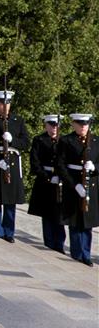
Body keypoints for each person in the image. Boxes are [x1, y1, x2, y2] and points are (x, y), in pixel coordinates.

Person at [0, 90, 30, 243]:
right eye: (2, 103)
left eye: (8, 103)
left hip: (13, 162)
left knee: (10, 199)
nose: (5, 106)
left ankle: (9, 231)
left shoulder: (18, 120)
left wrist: (13, 140)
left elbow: (25, 143)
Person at [56, 114, 98, 266]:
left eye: (85, 124)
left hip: (90, 185)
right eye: (80, 124)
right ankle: (76, 253)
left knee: (87, 223)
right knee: (74, 221)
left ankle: (86, 254)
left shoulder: (96, 141)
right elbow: (60, 165)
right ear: (73, 124)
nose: (83, 127)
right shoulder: (66, 140)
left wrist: (94, 167)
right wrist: (74, 185)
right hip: (73, 185)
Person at [28, 114, 66, 254]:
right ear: (46, 125)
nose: (54, 128)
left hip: (60, 181)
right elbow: (35, 162)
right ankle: (49, 242)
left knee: (59, 214)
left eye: (56, 125)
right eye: (51, 125)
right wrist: (48, 177)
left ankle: (59, 243)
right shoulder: (39, 140)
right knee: (47, 213)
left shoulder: (63, 141)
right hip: (45, 181)